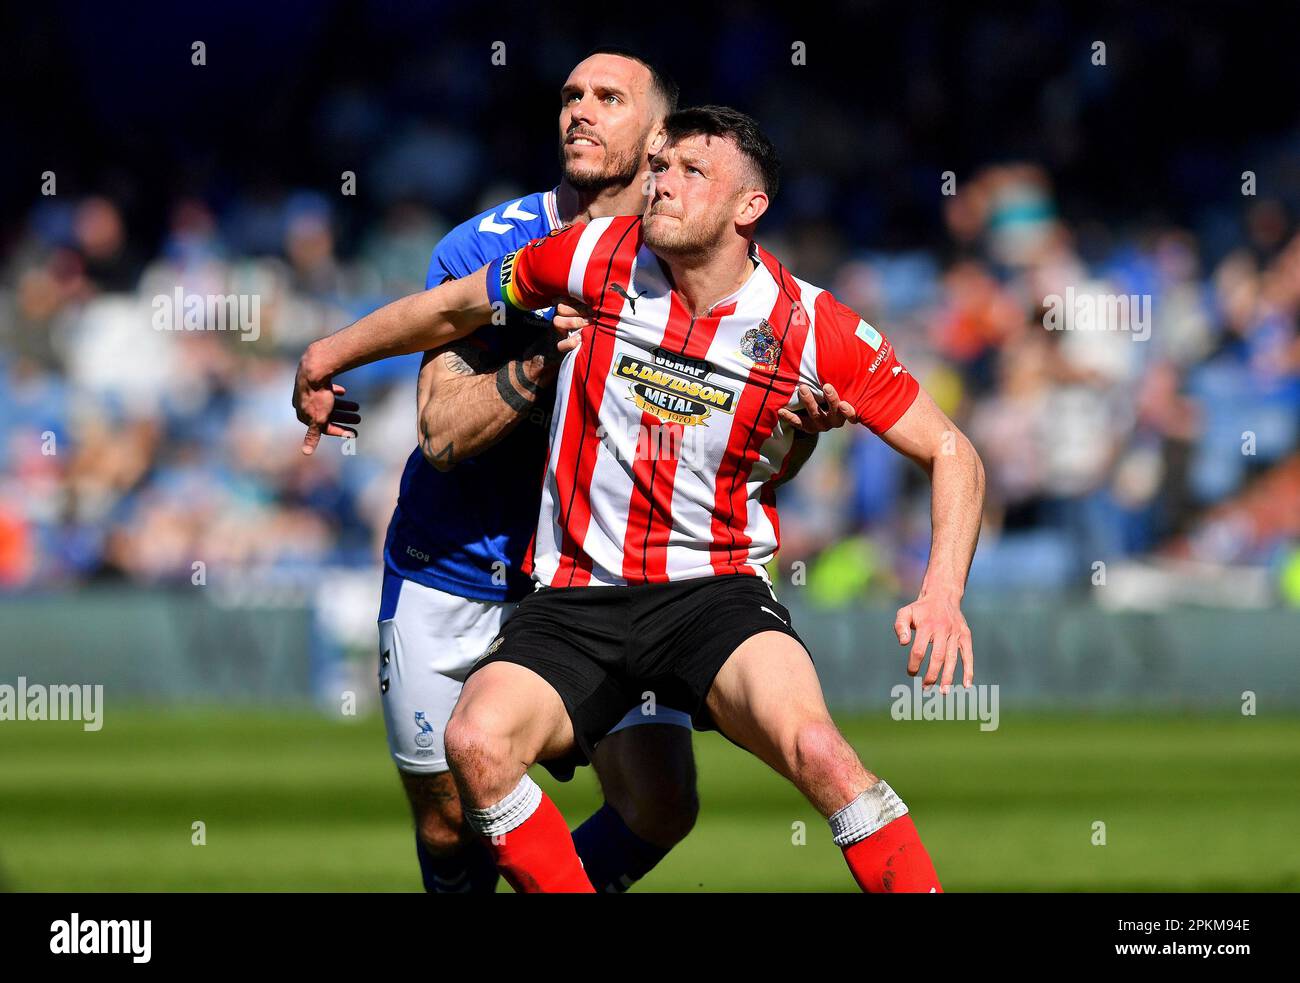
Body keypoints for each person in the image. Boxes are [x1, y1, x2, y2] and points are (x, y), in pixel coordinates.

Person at [294, 105, 983, 893]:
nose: (664, 184)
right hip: (577, 599)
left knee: (819, 753)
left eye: (695, 173)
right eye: (662, 167)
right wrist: (326, 355)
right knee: (476, 744)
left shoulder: (808, 326)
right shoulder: (592, 253)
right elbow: (455, 305)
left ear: (748, 208)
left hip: (711, 595)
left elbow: (953, 450)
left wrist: (941, 593)